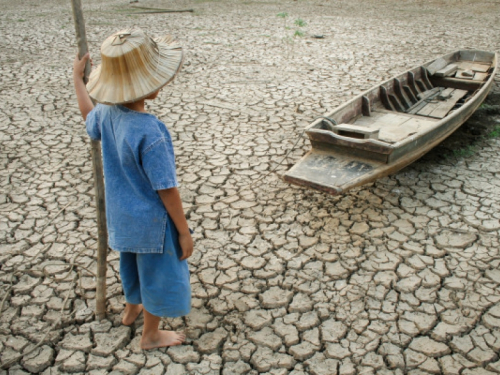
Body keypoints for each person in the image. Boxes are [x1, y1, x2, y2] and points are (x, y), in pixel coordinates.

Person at [72, 28, 193, 350]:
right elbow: (166, 188)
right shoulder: (150, 131)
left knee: (131, 265)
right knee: (157, 274)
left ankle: (130, 310)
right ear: (151, 86)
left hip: (121, 217)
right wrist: (183, 231)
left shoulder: (107, 114)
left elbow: (89, 116)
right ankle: (151, 334)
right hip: (152, 223)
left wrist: (77, 81)